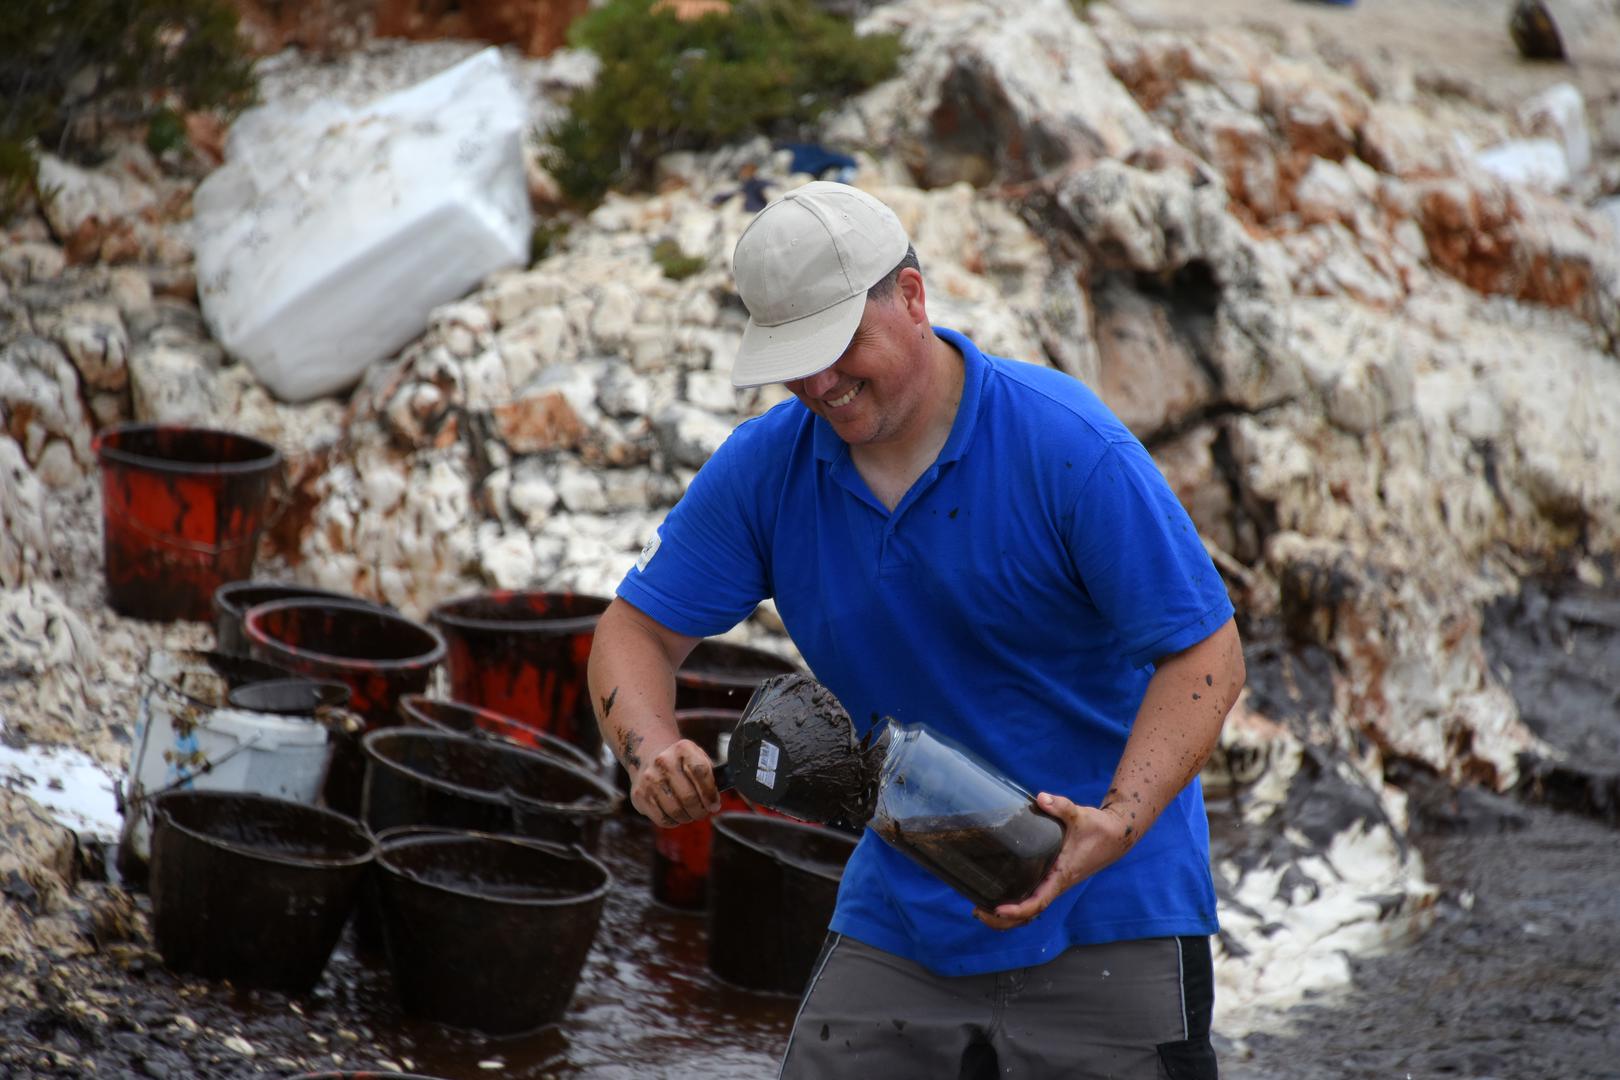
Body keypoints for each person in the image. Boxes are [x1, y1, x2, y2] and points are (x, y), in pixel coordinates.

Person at [587, 180, 1246, 1079]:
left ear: (912, 296)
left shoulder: (1065, 447)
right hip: (906, 904)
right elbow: (635, 634)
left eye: (842, 344)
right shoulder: (767, 473)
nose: (821, 383)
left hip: (1110, 904)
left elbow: (1207, 652)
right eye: (795, 358)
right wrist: (650, 746)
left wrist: (1119, 820)